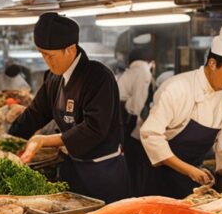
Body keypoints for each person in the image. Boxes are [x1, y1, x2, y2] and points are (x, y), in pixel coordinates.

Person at [8, 13, 131, 203]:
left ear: (70, 49)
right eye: (42, 54)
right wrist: (11, 140)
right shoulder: (54, 77)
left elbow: (94, 128)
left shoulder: (98, 77)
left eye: (50, 55)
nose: (46, 61)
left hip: (102, 172)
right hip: (71, 168)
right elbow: (36, 112)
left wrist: (44, 140)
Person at [137, 26, 222, 199]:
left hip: (194, 181)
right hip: (160, 178)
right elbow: (150, 135)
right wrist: (188, 170)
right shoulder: (177, 88)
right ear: (213, 64)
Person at [117, 48, 155, 194]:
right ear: (151, 62)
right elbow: (136, 106)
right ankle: (135, 196)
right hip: (128, 123)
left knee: (131, 164)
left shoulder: (131, 71)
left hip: (123, 121)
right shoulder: (144, 71)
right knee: (135, 165)